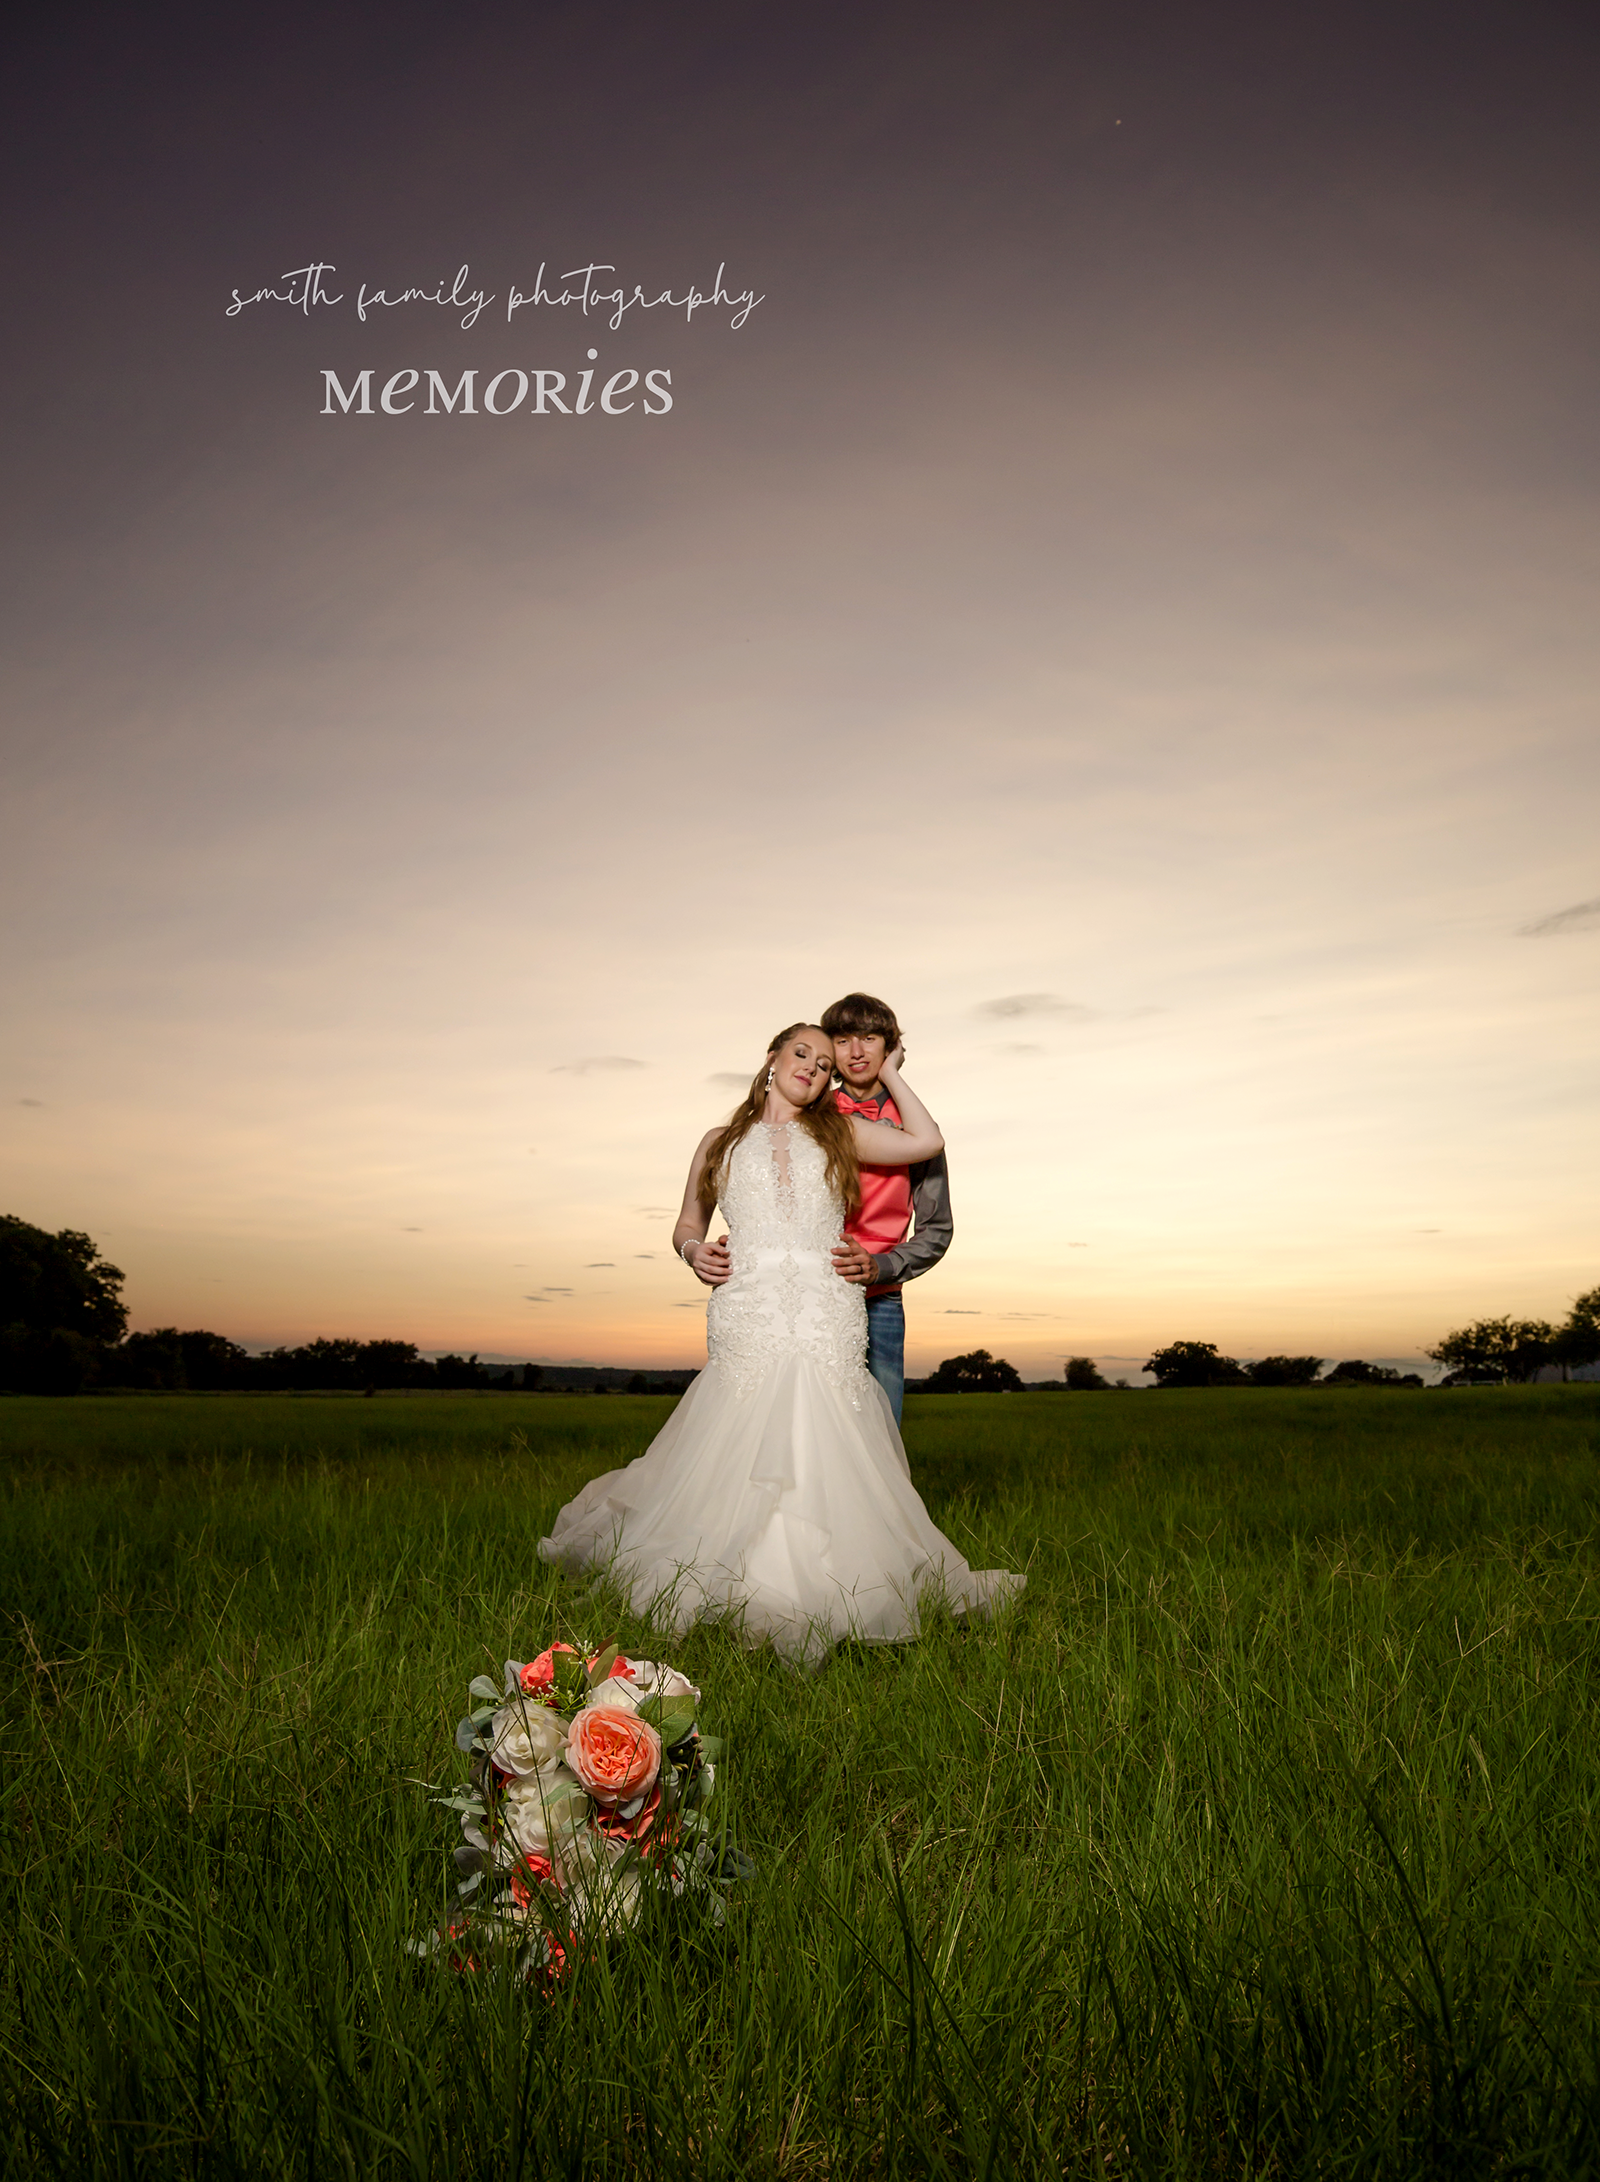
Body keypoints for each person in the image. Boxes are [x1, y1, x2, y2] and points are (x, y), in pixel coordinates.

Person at [538, 1022, 1022, 1665]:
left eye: (825, 1065)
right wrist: (693, 1251)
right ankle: (727, 1578)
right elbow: (687, 1221)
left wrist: (890, 1070)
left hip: (826, 1306)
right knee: (738, 1429)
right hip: (749, 1306)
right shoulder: (718, 1142)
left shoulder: (842, 1133)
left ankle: (832, 1585)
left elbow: (926, 1141)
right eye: (802, 1054)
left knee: (827, 1432)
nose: (814, 1069)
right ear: (772, 1058)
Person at [820, 991, 951, 1423]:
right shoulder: (812, 1117)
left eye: (869, 1038)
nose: (856, 1052)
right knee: (813, 1421)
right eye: (842, 1040)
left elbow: (936, 1229)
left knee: (883, 1424)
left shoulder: (918, 1129)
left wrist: (882, 1267)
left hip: (882, 1298)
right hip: (813, 1288)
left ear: (891, 1046)